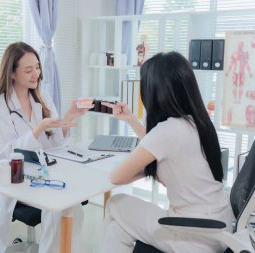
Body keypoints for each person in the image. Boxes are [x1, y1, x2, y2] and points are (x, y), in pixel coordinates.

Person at [99, 51, 234, 253]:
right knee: (117, 229)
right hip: (218, 227)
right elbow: (162, 148)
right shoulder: (197, 121)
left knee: (116, 203)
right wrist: (131, 120)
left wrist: (143, 169)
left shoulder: (169, 130)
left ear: (153, 92)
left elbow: (116, 176)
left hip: (192, 236)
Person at [0, 42, 88, 253]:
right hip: (12, 179)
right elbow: (5, 153)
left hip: (41, 173)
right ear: (11, 73)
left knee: (73, 208)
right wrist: (38, 129)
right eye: (28, 70)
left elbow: (55, 144)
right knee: (60, 207)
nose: (36, 74)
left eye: (38, 67)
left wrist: (67, 117)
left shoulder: (42, 98)